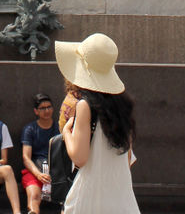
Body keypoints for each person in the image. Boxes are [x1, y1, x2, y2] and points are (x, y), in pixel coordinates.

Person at [55, 34, 139, 214]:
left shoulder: (86, 105)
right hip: (122, 198)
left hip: (89, 197)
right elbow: (127, 157)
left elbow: (80, 157)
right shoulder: (124, 107)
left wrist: (67, 134)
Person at [20, 94, 60, 214]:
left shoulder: (59, 127)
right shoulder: (30, 129)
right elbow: (26, 157)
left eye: (49, 107)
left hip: (57, 170)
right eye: (42, 108)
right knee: (34, 195)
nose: (47, 111)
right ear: (36, 111)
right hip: (35, 170)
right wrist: (38, 175)